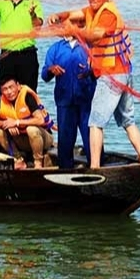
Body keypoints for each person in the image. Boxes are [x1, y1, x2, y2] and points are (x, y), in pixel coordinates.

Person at [47, 0, 140, 169]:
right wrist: (59, 16)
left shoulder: (108, 13)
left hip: (112, 75)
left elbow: (96, 34)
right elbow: (74, 13)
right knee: (128, 120)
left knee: (94, 123)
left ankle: (94, 167)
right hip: (122, 73)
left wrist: (75, 31)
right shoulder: (91, 11)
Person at [41, 22, 99, 169]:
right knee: (65, 139)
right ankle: (65, 169)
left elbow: (100, 69)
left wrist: (90, 70)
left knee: (90, 135)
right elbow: (44, 75)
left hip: (86, 99)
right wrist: (51, 69)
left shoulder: (88, 46)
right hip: (64, 100)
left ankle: (97, 165)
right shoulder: (56, 49)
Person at [0, 76, 54, 169]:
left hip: (42, 138)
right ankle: (18, 159)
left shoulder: (27, 97)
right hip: (21, 140)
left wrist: (17, 122)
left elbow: (40, 120)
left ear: (18, 86)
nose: (9, 92)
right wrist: (7, 124)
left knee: (31, 129)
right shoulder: (2, 100)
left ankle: (38, 162)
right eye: (5, 89)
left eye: (11, 87)